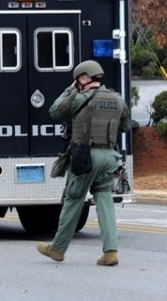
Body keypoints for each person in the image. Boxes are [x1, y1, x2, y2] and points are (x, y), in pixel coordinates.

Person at [37, 59, 131, 266]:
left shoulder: (79, 98)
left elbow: (55, 111)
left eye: (77, 79)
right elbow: (125, 126)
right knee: (104, 200)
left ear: (85, 78)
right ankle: (110, 251)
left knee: (73, 199)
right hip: (109, 156)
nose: (76, 83)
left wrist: (70, 90)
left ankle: (58, 248)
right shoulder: (117, 98)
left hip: (84, 156)